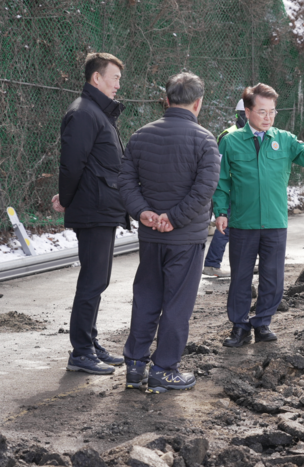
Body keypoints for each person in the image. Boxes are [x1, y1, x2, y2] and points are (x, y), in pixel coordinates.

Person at [214, 83, 304, 347]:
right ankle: (239, 327)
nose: (268, 117)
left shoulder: (284, 139)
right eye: (261, 111)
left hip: (275, 222)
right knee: (241, 278)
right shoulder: (231, 142)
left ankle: (262, 323)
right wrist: (221, 212)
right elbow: (221, 181)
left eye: (272, 111)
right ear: (247, 112)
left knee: (273, 277)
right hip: (243, 223)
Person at [118, 72, 220, 393]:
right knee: (177, 305)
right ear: (198, 102)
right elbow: (204, 191)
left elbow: (125, 182)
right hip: (185, 238)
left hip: (150, 236)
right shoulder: (205, 140)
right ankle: (164, 370)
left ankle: (135, 366)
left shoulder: (140, 136)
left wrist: (144, 213)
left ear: (167, 99)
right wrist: (173, 219)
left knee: (146, 296)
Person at [53, 52, 127, 375]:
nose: (118, 85)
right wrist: (66, 199)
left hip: (102, 207)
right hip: (93, 208)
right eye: (114, 78)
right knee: (92, 280)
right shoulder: (84, 113)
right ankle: (80, 351)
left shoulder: (98, 113)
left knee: (99, 280)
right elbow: (72, 164)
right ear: (96, 78)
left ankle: (89, 341)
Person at [202, 99, 248, 277]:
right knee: (225, 228)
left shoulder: (249, 133)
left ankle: (243, 263)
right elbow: (220, 166)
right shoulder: (229, 135)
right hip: (229, 191)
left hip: (242, 191)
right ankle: (212, 264)